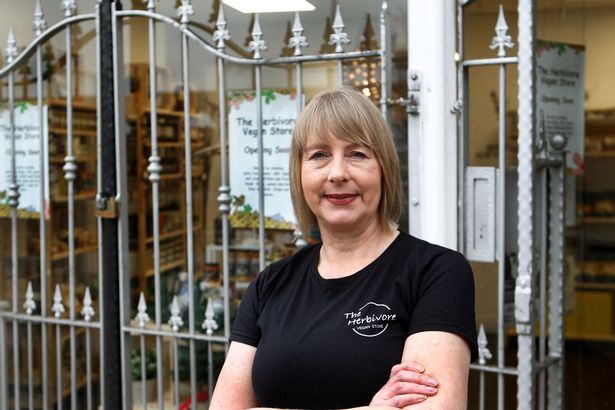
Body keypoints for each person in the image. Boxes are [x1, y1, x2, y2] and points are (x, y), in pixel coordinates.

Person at [210, 87, 478, 410]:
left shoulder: (436, 273)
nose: (337, 173)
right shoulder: (269, 285)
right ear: (300, 172)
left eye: (357, 154)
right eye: (319, 155)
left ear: (384, 169)